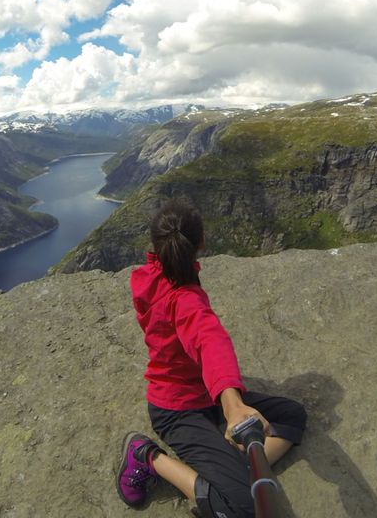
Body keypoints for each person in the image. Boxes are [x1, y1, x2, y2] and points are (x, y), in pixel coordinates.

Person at [116, 200, 306, 517]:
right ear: (201, 244)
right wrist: (232, 403)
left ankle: (233, 471)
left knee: (292, 415)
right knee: (243, 508)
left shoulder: (148, 276)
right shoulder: (185, 298)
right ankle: (147, 456)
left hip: (205, 394)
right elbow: (209, 340)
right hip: (176, 409)